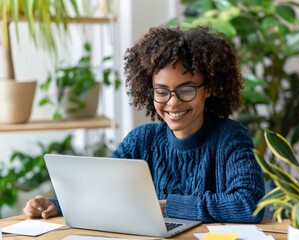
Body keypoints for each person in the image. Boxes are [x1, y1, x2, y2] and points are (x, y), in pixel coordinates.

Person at [23, 26, 265, 223]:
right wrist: (55, 205)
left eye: (186, 90)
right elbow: (100, 189)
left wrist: (170, 206)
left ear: (209, 88)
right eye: (162, 91)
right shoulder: (142, 140)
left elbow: (249, 204)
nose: (173, 102)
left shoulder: (230, 137)